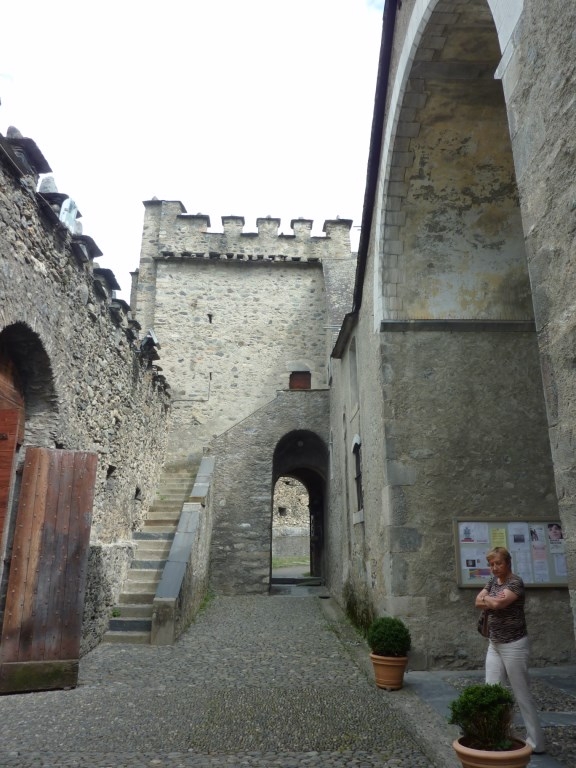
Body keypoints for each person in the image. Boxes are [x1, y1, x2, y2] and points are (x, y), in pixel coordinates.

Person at [475, 546, 545, 753]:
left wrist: (489, 600)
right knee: (491, 692)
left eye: (498, 563)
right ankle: (494, 735)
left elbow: (497, 604)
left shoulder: (515, 582)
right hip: (494, 643)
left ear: (508, 563)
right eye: (491, 564)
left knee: (521, 694)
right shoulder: (492, 582)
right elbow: (478, 601)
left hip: (514, 645)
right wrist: (490, 600)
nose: (495, 568)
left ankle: (536, 742)